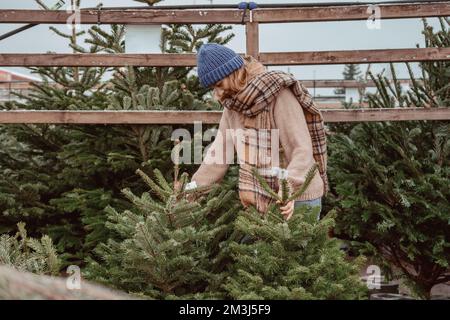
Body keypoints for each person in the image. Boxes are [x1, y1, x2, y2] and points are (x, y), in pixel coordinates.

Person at [187, 43, 328, 220]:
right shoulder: (232, 106)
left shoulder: (279, 94)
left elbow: (301, 149)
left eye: (219, 85)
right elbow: (218, 155)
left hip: (297, 198)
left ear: (232, 73)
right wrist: (191, 191)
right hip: (262, 200)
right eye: (213, 89)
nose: (217, 95)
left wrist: (289, 189)